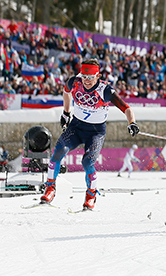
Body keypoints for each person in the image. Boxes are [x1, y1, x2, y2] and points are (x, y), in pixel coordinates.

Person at [40, 59, 139, 210]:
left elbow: (126, 108)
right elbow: (66, 92)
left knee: (87, 162)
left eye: (90, 77)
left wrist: (132, 123)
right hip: (76, 127)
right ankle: (50, 188)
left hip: (95, 132)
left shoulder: (105, 90)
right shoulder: (74, 82)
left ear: (97, 76)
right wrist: (66, 113)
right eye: (84, 77)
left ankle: (91, 195)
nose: (86, 81)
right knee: (58, 151)